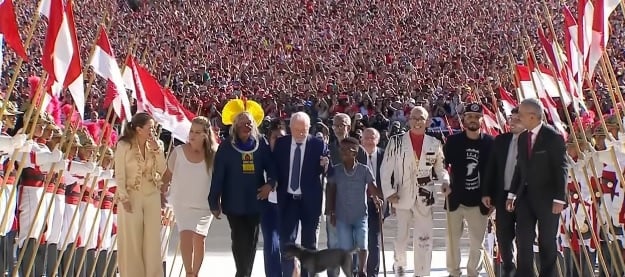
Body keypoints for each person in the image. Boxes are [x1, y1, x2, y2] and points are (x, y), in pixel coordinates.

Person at [208, 98, 277, 277]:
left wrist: (269, 184)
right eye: (242, 122)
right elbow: (218, 177)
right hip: (234, 203)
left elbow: (272, 168)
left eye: (249, 122)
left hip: (255, 202)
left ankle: (244, 273)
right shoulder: (226, 148)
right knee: (239, 240)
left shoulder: (261, 144)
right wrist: (213, 201)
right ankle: (243, 273)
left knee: (252, 242)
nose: (246, 125)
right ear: (235, 125)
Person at [380, 106, 450, 277]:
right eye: (414, 118)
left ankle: (422, 272)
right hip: (401, 195)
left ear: (427, 122)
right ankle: (400, 267)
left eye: (421, 119)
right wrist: (389, 192)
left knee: (424, 239)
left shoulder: (434, 143)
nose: (418, 122)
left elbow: (440, 168)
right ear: (409, 120)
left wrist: (446, 181)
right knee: (401, 238)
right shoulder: (395, 142)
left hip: (425, 197)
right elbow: (385, 169)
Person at [507, 98, 568, 277]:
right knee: (523, 240)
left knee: (546, 241)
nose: (518, 118)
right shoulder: (522, 138)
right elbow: (520, 168)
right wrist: (512, 194)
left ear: (532, 116)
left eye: (521, 115)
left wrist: (559, 198)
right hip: (525, 197)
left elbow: (561, 167)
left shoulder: (553, 137)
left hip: (548, 199)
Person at [274, 112, 329, 277]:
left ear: (309, 128)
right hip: (288, 199)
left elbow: (327, 168)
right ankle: (289, 273)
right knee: (286, 243)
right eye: (296, 130)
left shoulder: (318, 145)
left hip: (309, 201)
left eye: (304, 130)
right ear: (290, 128)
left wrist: (326, 165)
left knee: (309, 245)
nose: (300, 134)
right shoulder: (281, 144)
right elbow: (275, 167)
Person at [162, 116, 218, 277]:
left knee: (199, 240)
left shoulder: (214, 154)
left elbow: (220, 179)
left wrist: (219, 199)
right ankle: (189, 272)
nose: (192, 135)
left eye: (197, 132)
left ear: (205, 134)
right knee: (185, 236)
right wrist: (161, 192)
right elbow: (167, 176)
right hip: (182, 203)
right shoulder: (178, 152)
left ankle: (196, 273)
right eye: (191, 131)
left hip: (204, 205)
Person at [443, 103, 494, 277]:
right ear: (464, 118)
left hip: (480, 201)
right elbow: (442, 165)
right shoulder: (453, 141)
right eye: (469, 116)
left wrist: (492, 198)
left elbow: (495, 172)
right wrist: (444, 181)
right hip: (455, 198)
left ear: (482, 119)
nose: (473, 120)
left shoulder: (490, 143)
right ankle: (454, 272)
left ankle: (473, 273)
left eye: (476, 117)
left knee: (477, 243)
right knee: (452, 241)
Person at [114, 112, 167, 277]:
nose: (153, 131)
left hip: (151, 194)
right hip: (131, 195)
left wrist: (158, 151)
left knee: (152, 240)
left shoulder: (157, 144)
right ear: (138, 129)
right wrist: (123, 197)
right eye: (150, 128)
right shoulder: (124, 146)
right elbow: (119, 174)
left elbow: (162, 170)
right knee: (132, 239)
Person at [326, 137, 382, 277]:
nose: (343, 152)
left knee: (362, 244)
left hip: (360, 215)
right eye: (341, 149)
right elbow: (331, 190)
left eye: (347, 150)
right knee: (346, 249)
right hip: (342, 216)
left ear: (355, 153)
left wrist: (378, 198)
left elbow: (372, 188)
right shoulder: (336, 170)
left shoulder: (364, 170)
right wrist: (331, 212)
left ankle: (362, 271)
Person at [482, 107, 525, 277]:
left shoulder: (533, 141)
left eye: (517, 119)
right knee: (503, 237)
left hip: (524, 198)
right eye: (510, 118)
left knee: (524, 237)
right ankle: (508, 267)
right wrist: (487, 193)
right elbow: (491, 168)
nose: (512, 122)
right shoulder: (500, 140)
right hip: (502, 197)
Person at [326, 113, 366, 277]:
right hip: (333, 202)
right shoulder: (327, 149)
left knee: (354, 244)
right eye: (335, 125)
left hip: (353, 204)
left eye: (342, 125)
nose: (339, 128)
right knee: (334, 244)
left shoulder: (359, 150)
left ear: (349, 127)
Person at [260, 119, 286, 277]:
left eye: (282, 138)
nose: (278, 141)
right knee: (270, 243)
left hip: (286, 205)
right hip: (267, 205)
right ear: (269, 139)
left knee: (287, 244)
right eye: (275, 138)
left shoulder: (291, 156)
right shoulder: (262, 155)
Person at [360, 128, 385, 277]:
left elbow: (390, 178)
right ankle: (359, 271)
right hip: (359, 202)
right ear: (362, 139)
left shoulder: (385, 155)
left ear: (378, 139)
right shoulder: (355, 154)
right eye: (366, 138)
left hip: (378, 204)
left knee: (374, 241)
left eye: (372, 138)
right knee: (359, 240)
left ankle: (372, 273)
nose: (369, 140)